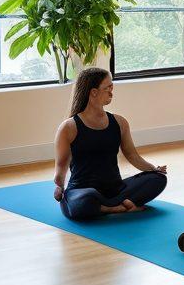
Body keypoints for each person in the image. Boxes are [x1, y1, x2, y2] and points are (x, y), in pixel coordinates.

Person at [52, 67, 168, 220]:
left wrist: (154, 169)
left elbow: (133, 156)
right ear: (94, 92)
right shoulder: (69, 127)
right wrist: (59, 187)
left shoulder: (120, 122)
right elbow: (61, 167)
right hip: (84, 191)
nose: (112, 92)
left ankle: (105, 207)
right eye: (108, 88)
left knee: (158, 179)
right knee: (81, 202)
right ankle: (117, 208)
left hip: (116, 190)